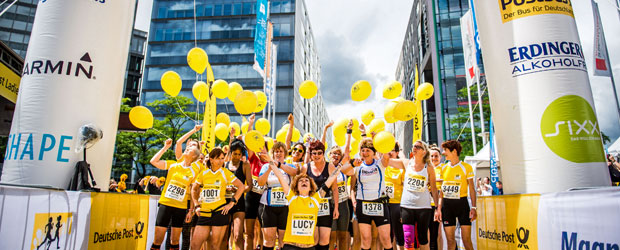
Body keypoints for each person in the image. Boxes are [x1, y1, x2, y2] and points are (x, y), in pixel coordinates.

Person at [264, 147, 343, 250]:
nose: (304, 182)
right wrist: (269, 160)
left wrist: (340, 167)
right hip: (291, 246)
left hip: (309, 247)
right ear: (296, 186)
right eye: (301, 181)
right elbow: (280, 176)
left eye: (307, 180)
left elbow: (330, 180)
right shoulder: (291, 197)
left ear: (311, 187)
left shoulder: (316, 198)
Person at [341, 121, 393, 250]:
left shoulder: (379, 163)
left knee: (386, 240)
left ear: (373, 151)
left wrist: (376, 139)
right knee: (366, 240)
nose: (365, 153)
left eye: (368, 150)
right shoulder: (359, 165)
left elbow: (386, 155)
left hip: (380, 203)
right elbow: (344, 171)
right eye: (362, 150)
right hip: (363, 204)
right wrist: (353, 164)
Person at [382, 141, 440, 250]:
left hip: (424, 207)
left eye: (418, 147)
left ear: (424, 151)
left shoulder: (429, 167)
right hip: (407, 206)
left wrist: (437, 208)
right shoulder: (406, 163)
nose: (415, 148)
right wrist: (383, 145)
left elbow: (434, 188)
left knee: (423, 239)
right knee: (408, 240)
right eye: (414, 146)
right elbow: (386, 162)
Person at [149, 139, 202, 250]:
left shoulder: (193, 171)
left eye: (190, 149)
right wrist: (165, 148)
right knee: (158, 239)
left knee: (175, 241)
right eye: (187, 148)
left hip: (180, 207)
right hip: (166, 204)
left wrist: (191, 210)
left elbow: (193, 191)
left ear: (194, 156)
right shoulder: (173, 165)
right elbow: (153, 161)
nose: (187, 148)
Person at [190, 148, 245, 250]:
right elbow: (194, 189)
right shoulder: (204, 173)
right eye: (218, 158)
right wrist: (197, 205)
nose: (221, 161)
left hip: (220, 212)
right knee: (194, 245)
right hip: (204, 212)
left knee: (215, 246)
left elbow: (241, 187)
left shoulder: (225, 172)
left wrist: (231, 203)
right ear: (211, 159)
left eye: (222, 158)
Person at [257, 142, 298, 250]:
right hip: (268, 205)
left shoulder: (289, 165)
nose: (278, 153)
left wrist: (277, 165)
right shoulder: (266, 166)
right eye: (276, 151)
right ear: (273, 153)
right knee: (269, 239)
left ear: (285, 153)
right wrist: (270, 167)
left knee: (283, 239)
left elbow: (294, 172)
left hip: (285, 206)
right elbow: (260, 182)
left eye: (281, 151)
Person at [299, 140, 340, 250]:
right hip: (310, 207)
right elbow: (300, 188)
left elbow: (335, 189)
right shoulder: (305, 168)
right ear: (311, 154)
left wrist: (336, 207)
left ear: (323, 153)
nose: (317, 155)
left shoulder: (330, 167)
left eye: (319, 153)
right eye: (314, 153)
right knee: (313, 239)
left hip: (326, 207)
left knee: (324, 240)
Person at [439, 140, 476, 250]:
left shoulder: (466, 167)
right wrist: (439, 208)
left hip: (462, 205)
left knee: (466, 240)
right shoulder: (444, 168)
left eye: (445, 150)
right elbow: (441, 191)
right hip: (447, 206)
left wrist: (474, 207)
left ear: (454, 151)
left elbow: (472, 189)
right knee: (450, 241)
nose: (443, 153)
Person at [223, 139, 253, 250]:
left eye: (239, 154)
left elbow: (249, 186)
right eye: (235, 154)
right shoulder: (224, 165)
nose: (237, 157)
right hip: (224, 203)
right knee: (224, 237)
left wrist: (238, 190)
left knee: (237, 235)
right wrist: (225, 188)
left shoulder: (245, 165)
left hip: (239, 203)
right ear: (230, 153)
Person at [328, 146, 351, 250]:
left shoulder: (344, 169)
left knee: (343, 235)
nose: (336, 155)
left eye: (338, 154)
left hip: (343, 203)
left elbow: (347, 154)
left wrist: (349, 133)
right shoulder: (326, 167)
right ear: (329, 155)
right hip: (330, 204)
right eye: (333, 153)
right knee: (331, 236)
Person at [383, 143, 405, 250]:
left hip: (397, 203)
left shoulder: (401, 168)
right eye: (388, 150)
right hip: (384, 203)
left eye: (392, 150)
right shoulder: (384, 165)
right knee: (387, 234)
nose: (390, 152)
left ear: (397, 153)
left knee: (399, 233)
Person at [428, 146, 444, 250]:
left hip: (438, 201)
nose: (434, 158)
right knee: (428, 232)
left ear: (440, 157)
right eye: (432, 156)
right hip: (427, 201)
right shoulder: (426, 167)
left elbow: (444, 181)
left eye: (436, 156)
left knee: (438, 232)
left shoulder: (443, 168)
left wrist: (434, 181)